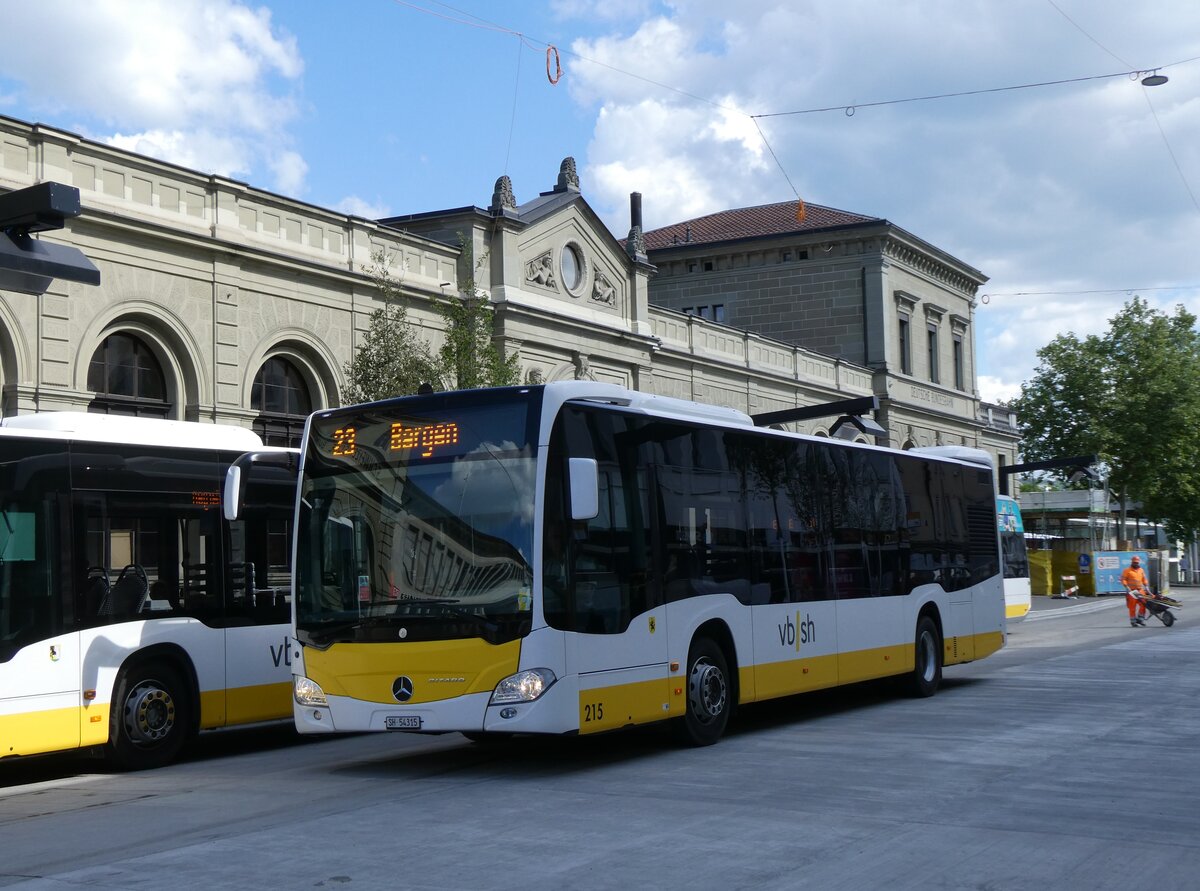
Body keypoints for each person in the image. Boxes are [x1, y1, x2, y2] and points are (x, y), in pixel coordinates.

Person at [1120, 556, 1151, 627]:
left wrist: (1146, 586)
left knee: (1143, 604)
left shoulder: (1141, 570)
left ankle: (1140, 619)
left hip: (1140, 590)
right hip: (1132, 591)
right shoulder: (1127, 571)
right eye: (1134, 562)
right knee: (1132, 607)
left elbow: (1144, 579)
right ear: (1132, 562)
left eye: (1137, 562)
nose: (1136, 564)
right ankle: (1133, 621)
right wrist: (1126, 586)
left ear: (1138, 562)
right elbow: (1123, 579)